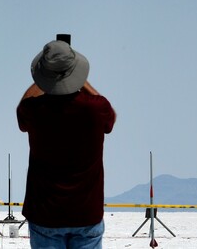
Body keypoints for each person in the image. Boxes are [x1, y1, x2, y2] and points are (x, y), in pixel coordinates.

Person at [17, 40, 116, 249]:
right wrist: (79, 80)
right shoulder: (95, 109)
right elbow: (110, 118)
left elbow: (22, 110)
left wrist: (45, 79)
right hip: (87, 213)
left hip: (45, 214)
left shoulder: (34, 111)